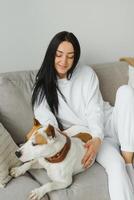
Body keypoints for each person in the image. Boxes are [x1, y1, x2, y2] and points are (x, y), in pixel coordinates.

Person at [31, 31, 134, 200]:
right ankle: (125, 164)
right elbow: (48, 123)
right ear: (51, 55)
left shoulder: (86, 73)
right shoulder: (42, 87)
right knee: (116, 166)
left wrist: (98, 138)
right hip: (88, 138)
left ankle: (129, 159)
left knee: (126, 91)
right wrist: (92, 140)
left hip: (111, 124)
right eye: (59, 55)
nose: (64, 61)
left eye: (70, 57)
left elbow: (95, 110)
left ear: (75, 58)